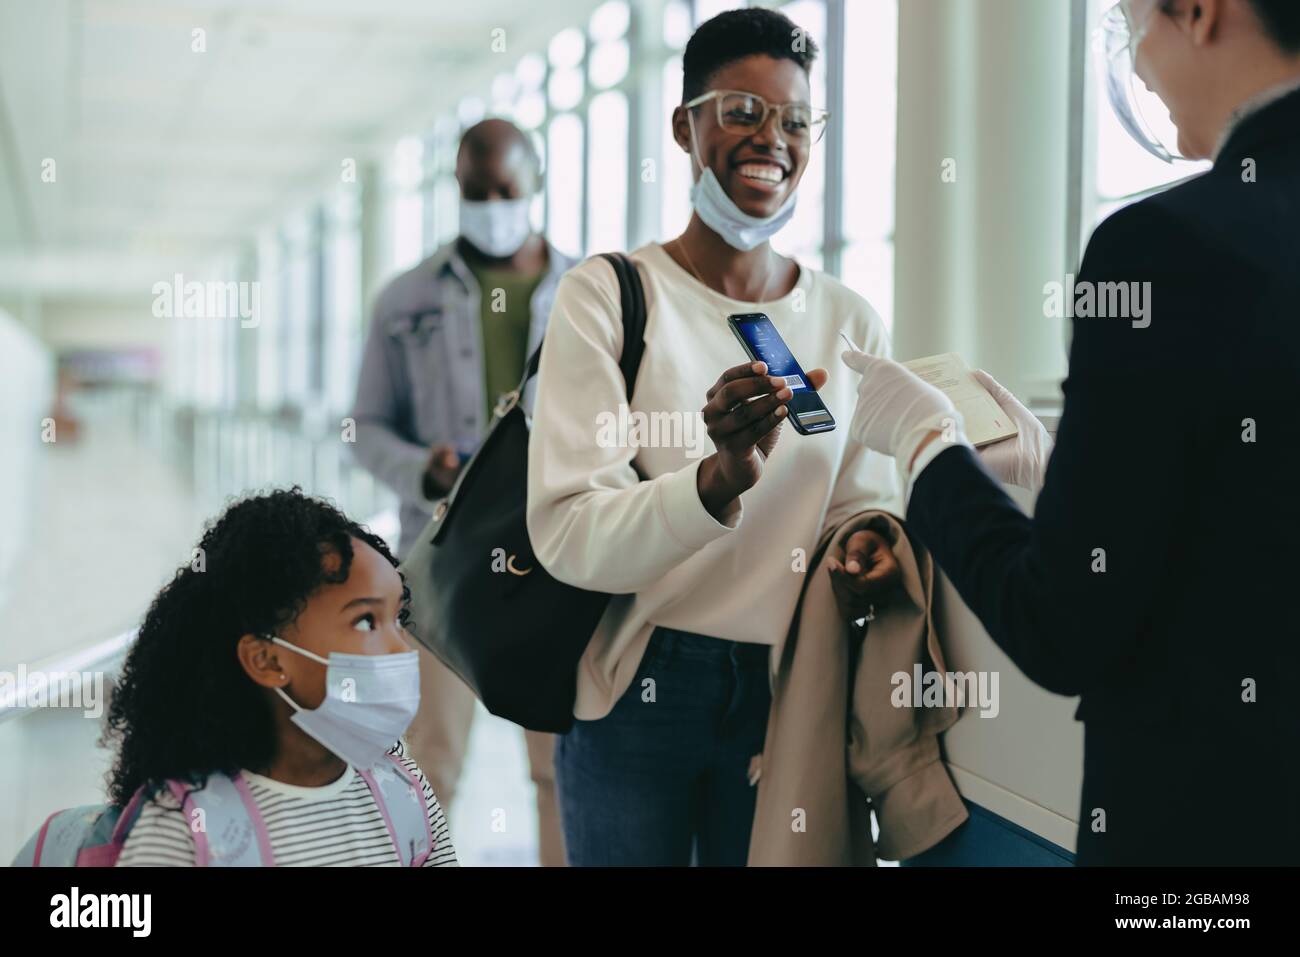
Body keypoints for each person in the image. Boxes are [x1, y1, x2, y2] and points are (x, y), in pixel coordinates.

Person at [839, 0, 1300, 865]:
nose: (1139, 69)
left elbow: (1064, 625)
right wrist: (1060, 477)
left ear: (1198, 13)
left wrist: (928, 449)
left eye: (1133, 28)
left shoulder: (1163, 249)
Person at [526, 7, 905, 866]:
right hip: (636, 688)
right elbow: (569, 530)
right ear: (685, 125)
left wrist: (869, 544)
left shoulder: (849, 321)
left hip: (789, 686)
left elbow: (861, 506)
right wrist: (716, 479)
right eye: (740, 109)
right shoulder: (610, 295)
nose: (770, 138)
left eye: (795, 119)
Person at [350, 119, 574, 865]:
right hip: (440, 560)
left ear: (535, 184)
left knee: (559, 768)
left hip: (557, 561)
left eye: (504, 191)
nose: (489, 206)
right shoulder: (405, 299)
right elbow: (365, 425)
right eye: (473, 192)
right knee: (426, 764)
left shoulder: (588, 293)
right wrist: (424, 468)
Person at [106, 488, 458, 866]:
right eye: (365, 621)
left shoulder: (401, 793)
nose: (401, 649)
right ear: (267, 660)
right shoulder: (185, 828)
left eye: (398, 619)